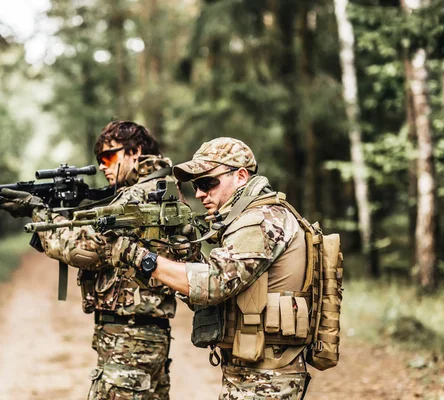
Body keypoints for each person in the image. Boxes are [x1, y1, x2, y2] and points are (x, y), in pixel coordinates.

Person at [0, 120, 194, 400]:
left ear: (134, 152)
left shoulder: (136, 196)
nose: (102, 165)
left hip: (128, 339)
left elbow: (85, 249)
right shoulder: (166, 190)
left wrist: (38, 212)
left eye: (108, 156)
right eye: (99, 159)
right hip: (150, 336)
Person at [110, 137, 312, 400]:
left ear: (240, 176)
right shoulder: (246, 220)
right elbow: (213, 294)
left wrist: (141, 258)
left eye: (207, 183)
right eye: (196, 185)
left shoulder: (261, 220)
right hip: (252, 372)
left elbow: (214, 285)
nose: (200, 193)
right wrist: (187, 252)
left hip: (268, 377)